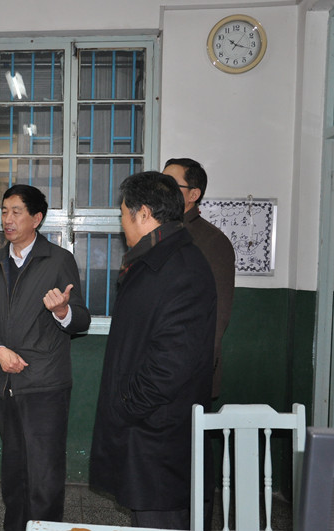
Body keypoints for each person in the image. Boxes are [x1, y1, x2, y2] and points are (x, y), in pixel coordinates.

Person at [89, 171, 216, 530]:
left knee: (162, 519)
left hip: (159, 440)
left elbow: (171, 363)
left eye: (123, 215)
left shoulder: (181, 269)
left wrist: (127, 403)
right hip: (147, 432)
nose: (121, 224)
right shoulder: (155, 261)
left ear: (143, 213)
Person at [0, 184, 90, 531]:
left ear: (36, 218)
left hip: (44, 383)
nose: (7, 219)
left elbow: (81, 319)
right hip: (4, 380)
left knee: (44, 473)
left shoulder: (58, 260)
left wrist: (63, 311)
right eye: (4, 211)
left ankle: (45, 527)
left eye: (16, 212)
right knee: (14, 468)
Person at [162, 158, 235, 399]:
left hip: (189, 370)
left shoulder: (213, 242)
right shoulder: (157, 234)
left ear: (193, 194)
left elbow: (218, 315)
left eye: (171, 184)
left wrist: (194, 369)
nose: (162, 190)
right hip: (154, 368)